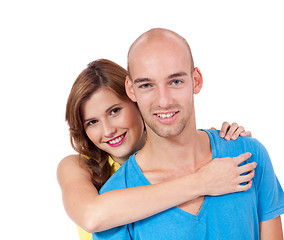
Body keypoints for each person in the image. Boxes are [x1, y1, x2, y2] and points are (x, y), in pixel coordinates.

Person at [93, 28, 284, 240]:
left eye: (175, 81)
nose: (164, 100)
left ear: (196, 80)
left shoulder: (248, 155)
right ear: (131, 90)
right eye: (147, 85)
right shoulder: (115, 199)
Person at [57, 59, 256, 240]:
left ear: (137, 101)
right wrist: (203, 181)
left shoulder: (184, 156)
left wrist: (227, 144)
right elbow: (91, 216)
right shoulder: (78, 167)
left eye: (115, 111)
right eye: (92, 122)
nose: (108, 130)